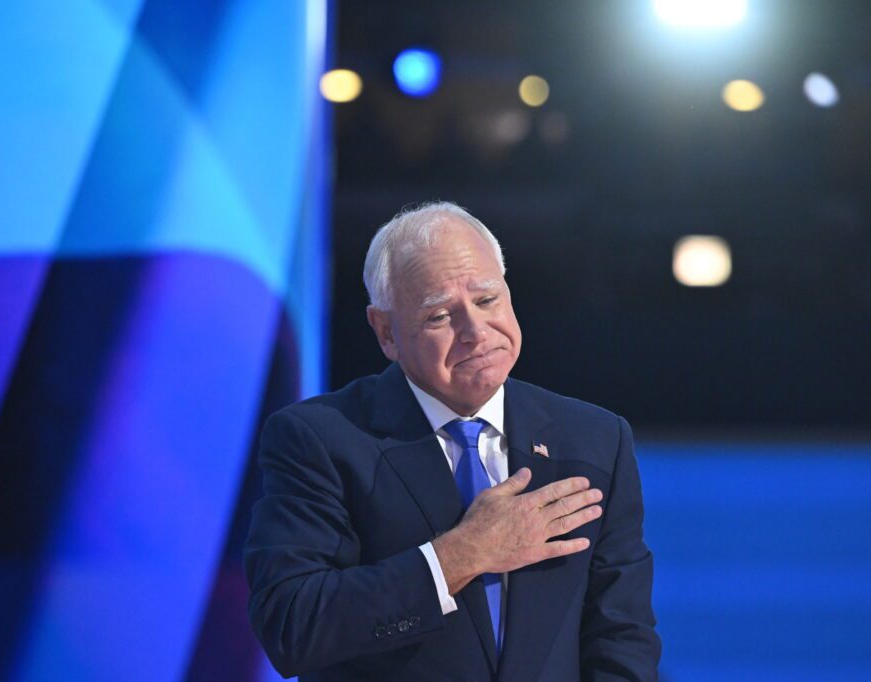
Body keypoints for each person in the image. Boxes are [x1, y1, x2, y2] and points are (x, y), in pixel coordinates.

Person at [244, 202, 660, 681]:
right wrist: (460, 555)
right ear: (386, 332)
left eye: (487, 301)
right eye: (440, 316)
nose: (476, 333)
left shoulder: (595, 439)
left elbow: (622, 637)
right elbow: (292, 626)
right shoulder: (319, 439)